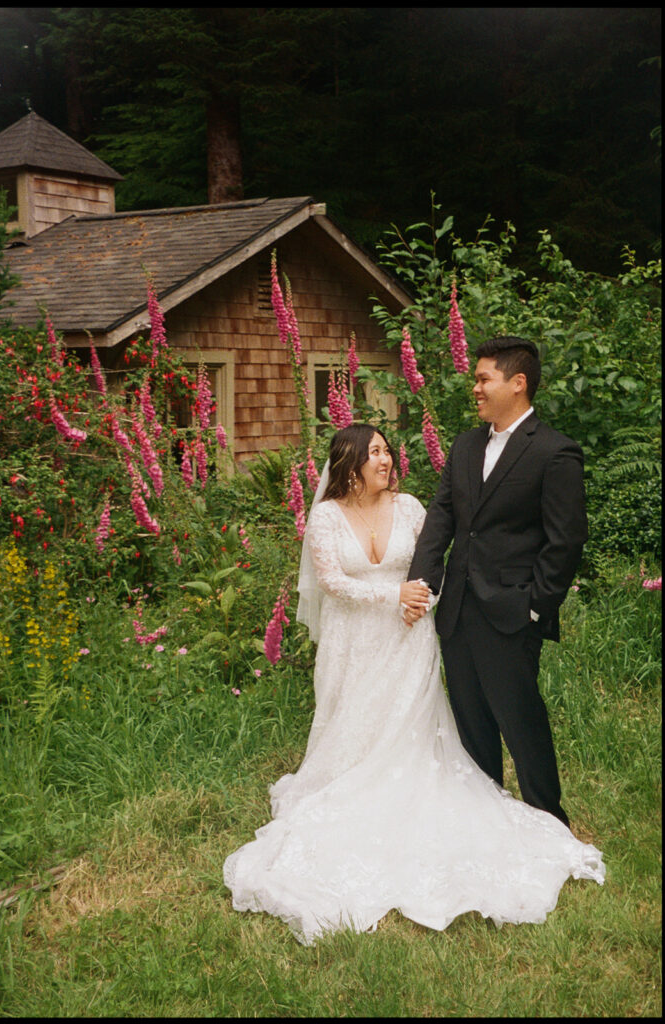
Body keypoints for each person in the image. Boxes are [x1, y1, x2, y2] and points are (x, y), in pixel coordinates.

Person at [223, 423, 604, 946]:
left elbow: (436, 551)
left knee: (412, 724)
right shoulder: (327, 516)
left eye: (386, 450)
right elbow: (331, 581)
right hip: (354, 639)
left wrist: (421, 597)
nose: (385, 459)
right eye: (374, 452)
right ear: (350, 465)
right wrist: (394, 597)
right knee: (353, 725)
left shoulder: (410, 508)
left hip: (410, 637)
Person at [407, 336, 586, 828]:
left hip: (512, 612)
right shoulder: (465, 445)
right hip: (458, 609)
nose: (476, 388)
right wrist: (422, 584)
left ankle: (549, 822)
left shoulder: (554, 452)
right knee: (472, 724)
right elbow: (441, 518)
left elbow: (565, 540)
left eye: (484, 378)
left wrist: (535, 606)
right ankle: (487, 823)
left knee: (521, 722)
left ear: (518, 383)